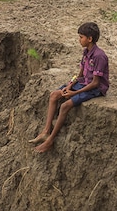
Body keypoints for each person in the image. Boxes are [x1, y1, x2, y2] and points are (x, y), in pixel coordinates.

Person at [30, 22, 109, 153]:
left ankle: (50, 141)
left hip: (95, 89)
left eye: (81, 37)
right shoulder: (86, 52)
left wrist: (74, 93)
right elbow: (80, 73)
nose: (79, 40)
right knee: (54, 95)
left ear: (90, 39)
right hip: (84, 82)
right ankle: (45, 131)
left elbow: (95, 83)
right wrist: (70, 84)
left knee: (65, 106)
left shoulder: (99, 56)